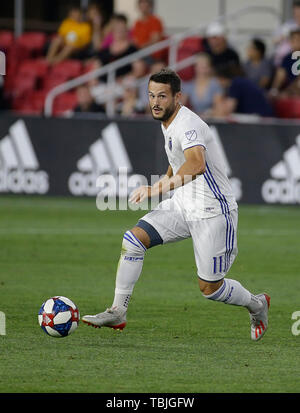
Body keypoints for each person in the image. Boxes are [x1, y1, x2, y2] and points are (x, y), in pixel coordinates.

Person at [82, 68, 271, 342]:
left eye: (162, 96)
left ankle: (257, 304)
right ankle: (118, 311)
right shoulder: (167, 122)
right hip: (184, 203)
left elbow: (195, 164)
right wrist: (166, 182)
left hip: (213, 211)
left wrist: (156, 188)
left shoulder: (188, 124)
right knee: (134, 240)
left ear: (177, 97)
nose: (155, 102)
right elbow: (178, 160)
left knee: (210, 288)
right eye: (151, 96)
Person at [93, 13, 138, 79]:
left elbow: (138, 69)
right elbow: (99, 48)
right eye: (116, 29)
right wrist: (97, 28)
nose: (119, 31)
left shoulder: (131, 46)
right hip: (105, 82)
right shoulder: (107, 47)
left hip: (123, 80)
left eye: (121, 29)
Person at [270, 27, 300, 96]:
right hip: (291, 90)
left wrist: (287, 92)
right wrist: (274, 90)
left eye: (298, 39)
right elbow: (280, 75)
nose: (294, 42)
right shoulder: (287, 57)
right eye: (292, 39)